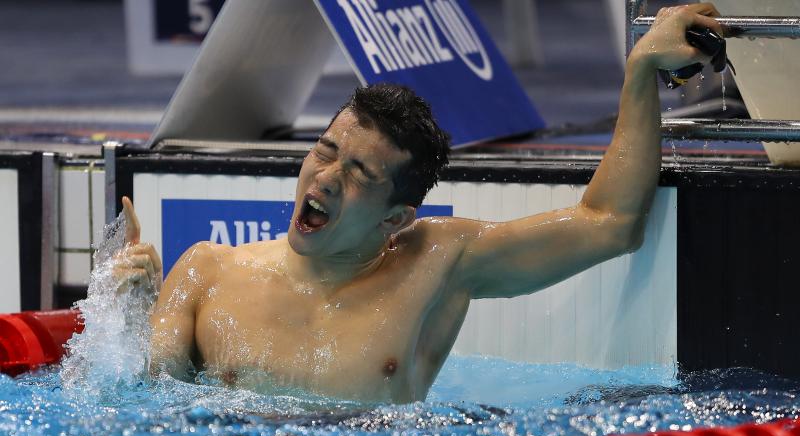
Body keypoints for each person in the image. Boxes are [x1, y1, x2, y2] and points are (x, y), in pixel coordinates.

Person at [113, 4, 724, 403]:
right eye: (324, 151)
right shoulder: (205, 270)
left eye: (357, 173)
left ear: (397, 218)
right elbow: (150, 405)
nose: (323, 178)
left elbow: (609, 223)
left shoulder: (439, 262)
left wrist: (640, 71)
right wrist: (131, 316)